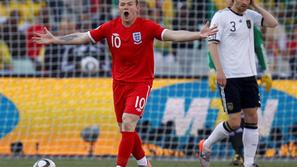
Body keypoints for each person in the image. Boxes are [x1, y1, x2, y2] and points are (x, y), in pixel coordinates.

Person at [32, 0, 218, 167]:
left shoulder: (147, 27)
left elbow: (172, 35)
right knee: (125, 128)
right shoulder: (110, 27)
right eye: (122, 4)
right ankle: (144, 163)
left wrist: (198, 34)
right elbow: (83, 36)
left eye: (129, 4)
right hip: (119, 83)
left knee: (129, 122)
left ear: (137, 7)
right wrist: (56, 39)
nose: (125, 7)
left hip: (141, 82)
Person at [198, 0, 278, 167]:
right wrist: (218, 71)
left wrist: (256, 6)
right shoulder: (220, 17)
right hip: (230, 77)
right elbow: (212, 44)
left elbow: (273, 23)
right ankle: (206, 145)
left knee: (252, 117)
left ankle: (249, 163)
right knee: (234, 122)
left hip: (249, 76)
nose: (244, 2)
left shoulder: (251, 15)